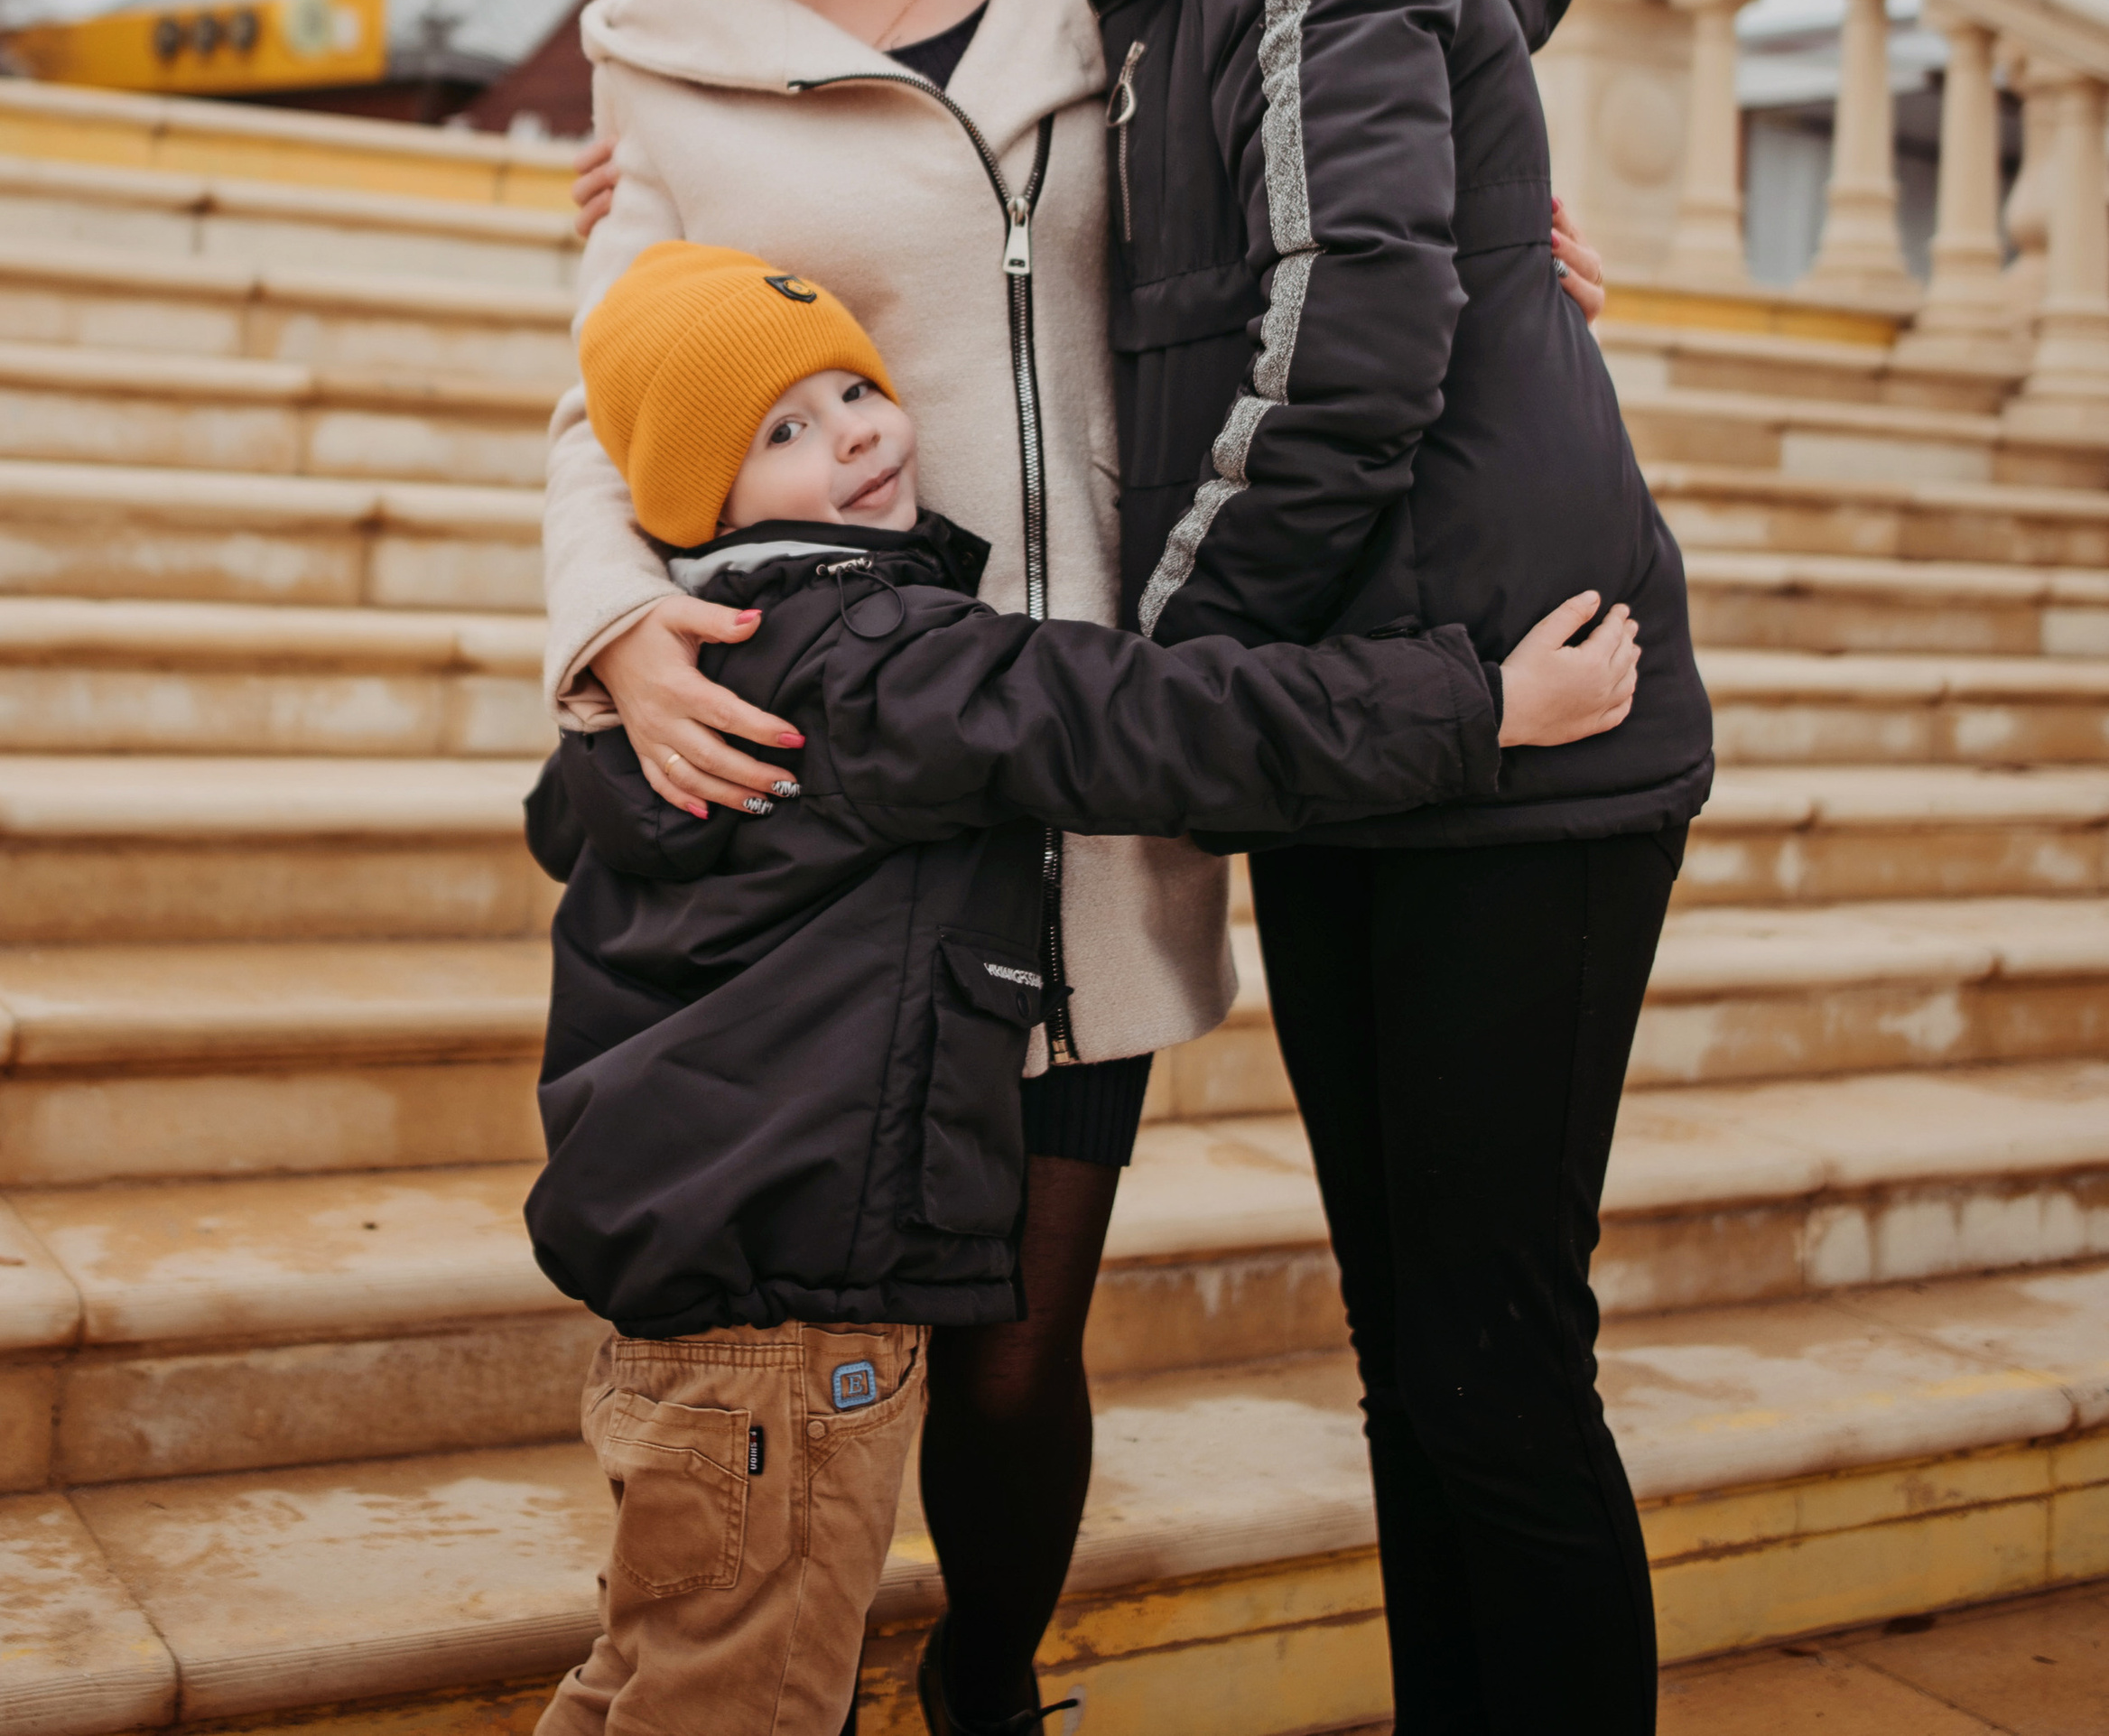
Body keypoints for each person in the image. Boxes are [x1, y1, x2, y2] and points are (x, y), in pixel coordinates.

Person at [548, 0, 1609, 1736]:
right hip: (853, 772)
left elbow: (1304, 172)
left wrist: (1492, 193)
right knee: (824, 1317)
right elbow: (603, 386)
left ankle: (988, 1696)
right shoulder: (663, 60)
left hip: (1117, 725)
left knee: (1027, 1338)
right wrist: (612, 630)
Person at [918, 0, 1716, 1736]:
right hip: (1377, 733)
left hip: (1515, 725)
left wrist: (1168, 685)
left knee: (1483, 1359)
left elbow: (1342, 335)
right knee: (1424, 1356)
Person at [525, 237, 1638, 1736]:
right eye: (781, 430)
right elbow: (1160, 722)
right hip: (797, 1310)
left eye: (855, 385)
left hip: (693, 1301)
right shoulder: (875, 662)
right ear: (688, 497)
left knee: (659, 1668)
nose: (852, 431)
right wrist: (1480, 701)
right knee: (745, 1697)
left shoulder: (682, 689)